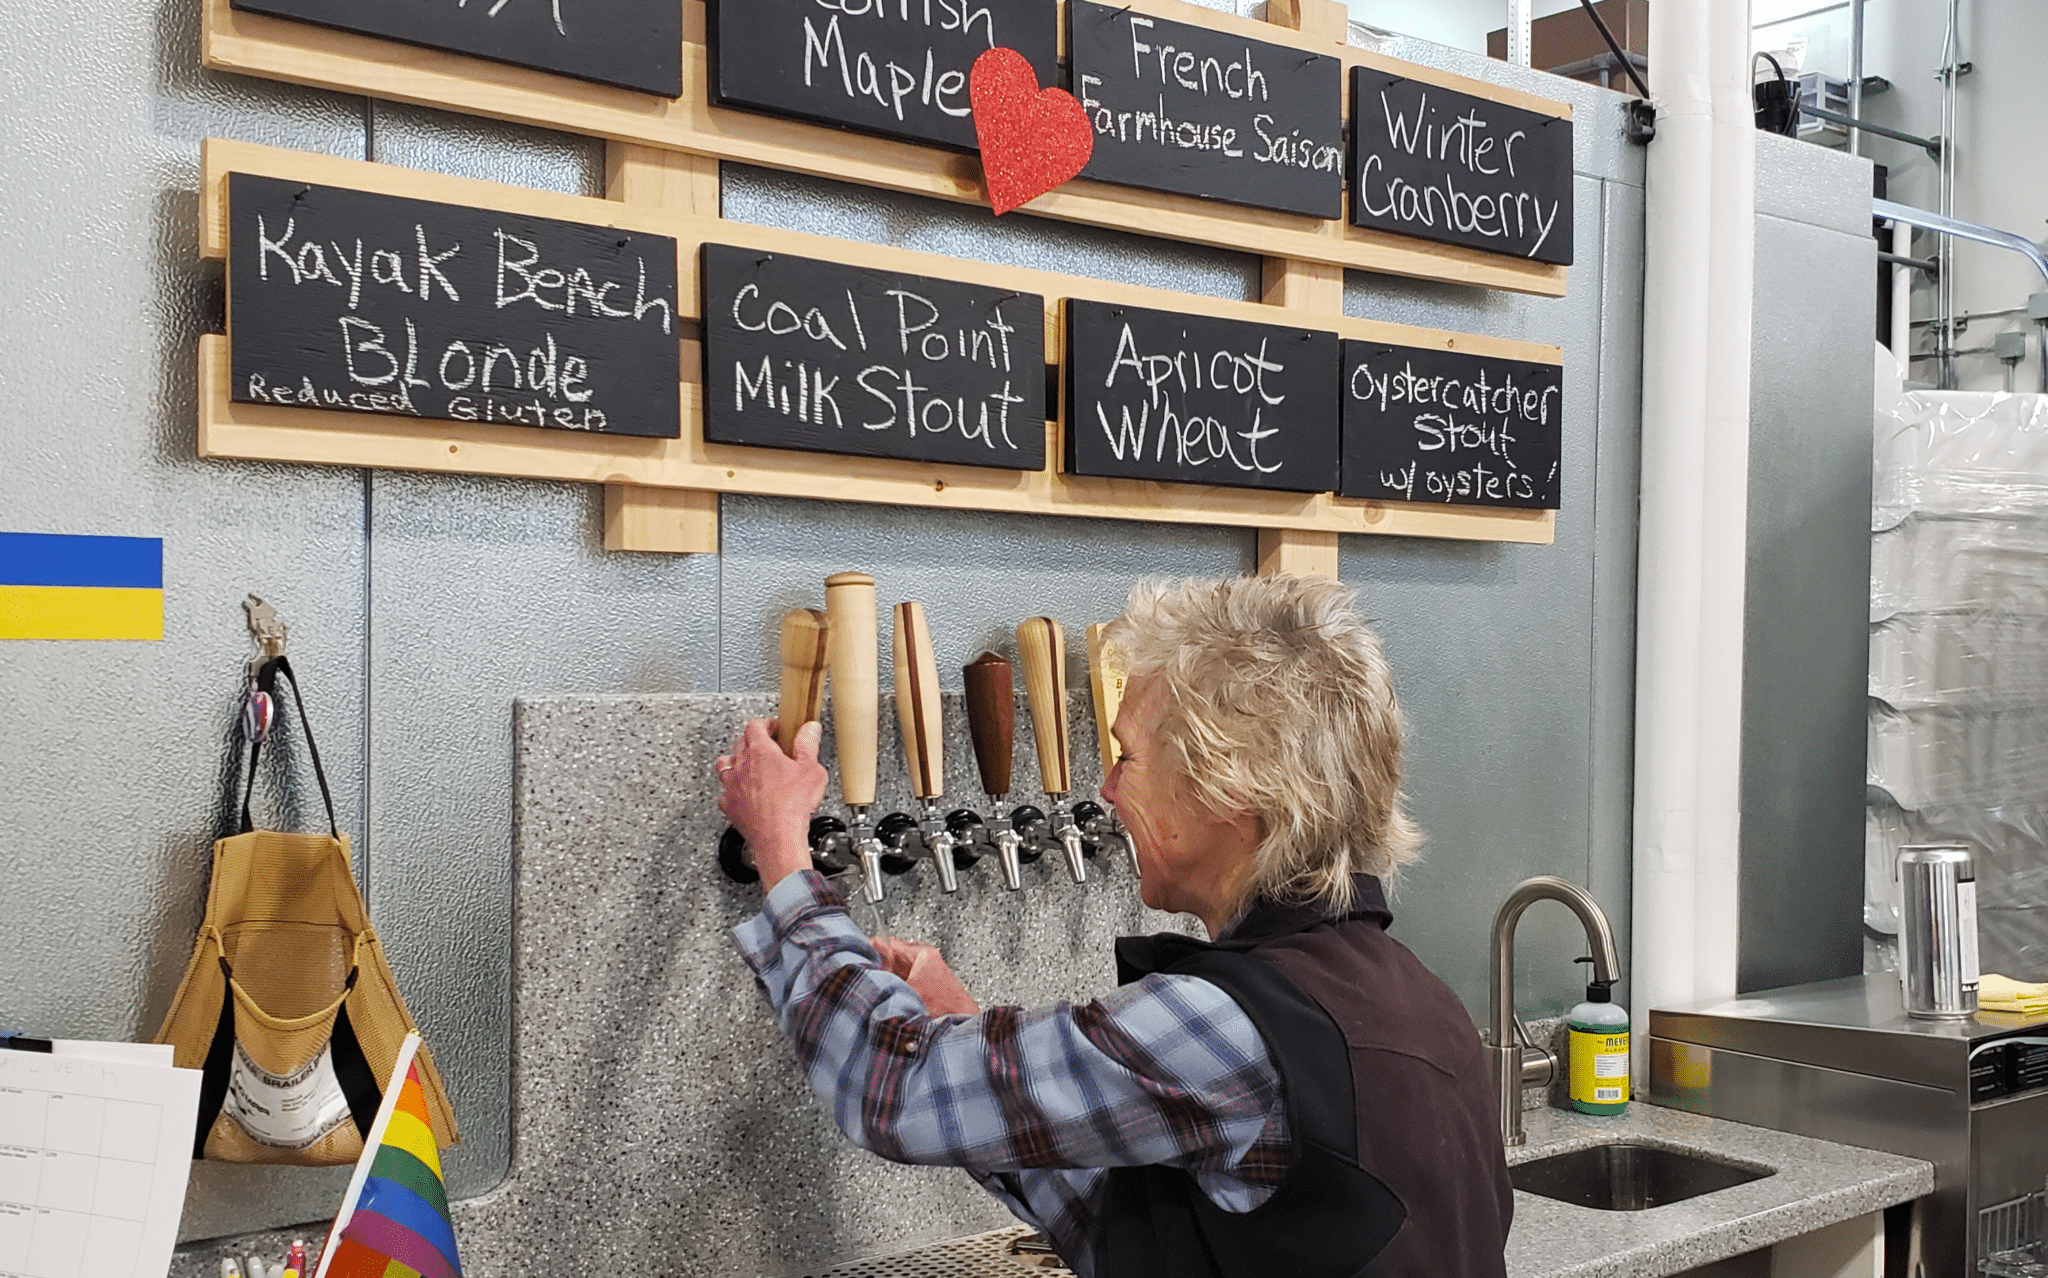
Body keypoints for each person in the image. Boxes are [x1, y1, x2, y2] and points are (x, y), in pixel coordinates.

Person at [717, 574, 1511, 1278]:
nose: (1107, 789)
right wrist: (961, 1025)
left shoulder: (1230, 1025)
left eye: (1128, 757)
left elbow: (890, 1091)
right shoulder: (1418, 1001)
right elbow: (1147, 1238)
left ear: (1230, 787)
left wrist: (784, 852)